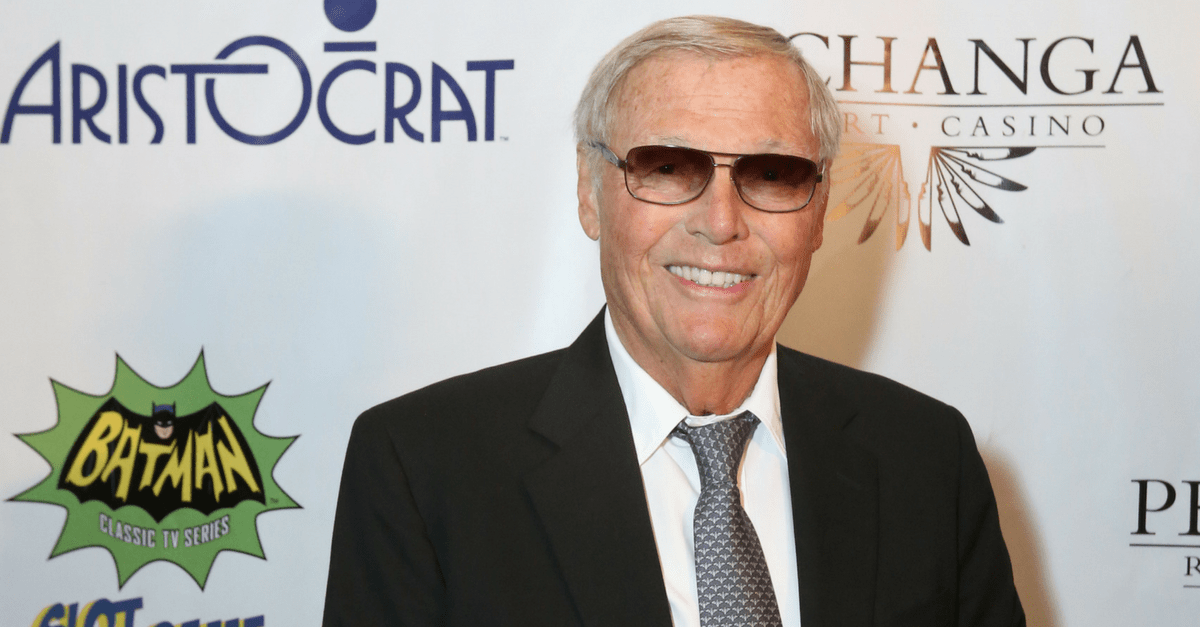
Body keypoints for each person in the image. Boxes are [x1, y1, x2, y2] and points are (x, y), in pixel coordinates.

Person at [323, 15, 1025, 627]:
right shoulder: (424, 468)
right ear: (589, 192)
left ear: (818, 212)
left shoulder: (927, 460)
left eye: (770, 174)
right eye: (666, 167)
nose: (720, 223)